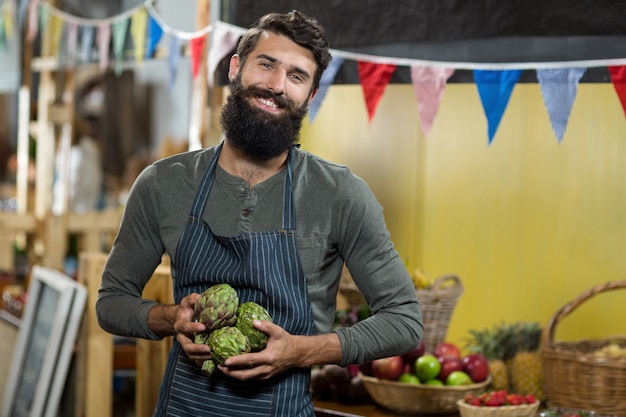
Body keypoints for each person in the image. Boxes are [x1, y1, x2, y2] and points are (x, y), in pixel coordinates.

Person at [96, 10, 423, 416]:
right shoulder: (163, 183)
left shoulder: (340, 194)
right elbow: (110, 303)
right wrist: (169, 318)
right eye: (266, 64)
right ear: (236, 67)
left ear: (310, 94)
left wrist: (302, 351)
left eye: (297, 76)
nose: (277, 86)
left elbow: (405, 321)